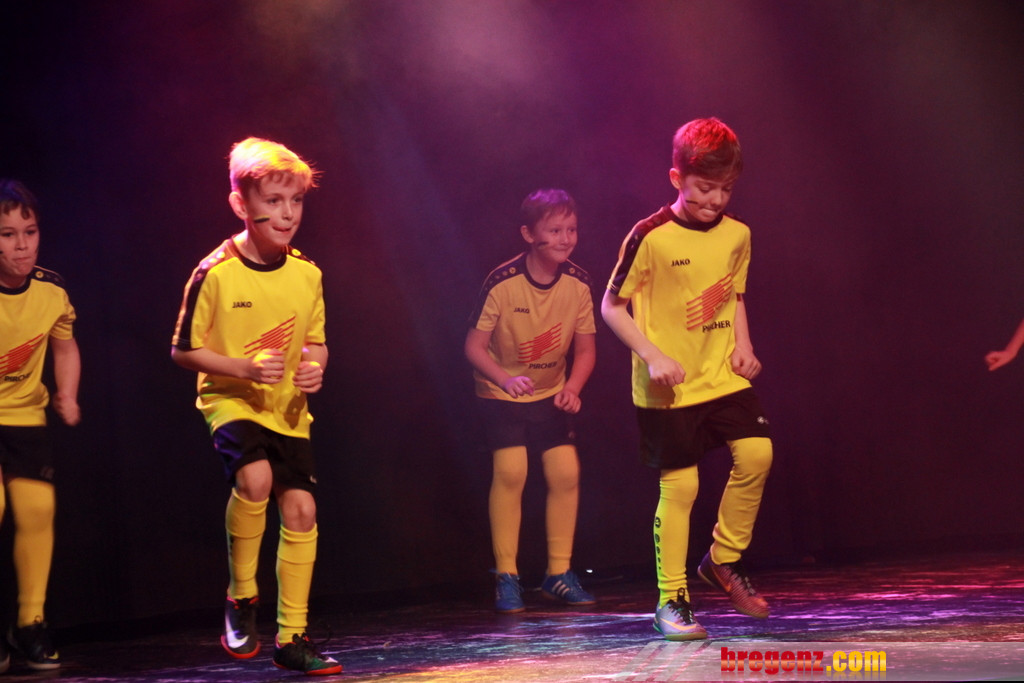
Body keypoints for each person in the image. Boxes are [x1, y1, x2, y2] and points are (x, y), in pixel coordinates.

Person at [171, 138, 341, 675]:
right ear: (241, 204)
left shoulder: (307, 273)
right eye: (273, 201)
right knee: (256, 480)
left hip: (287, 409)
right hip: (231, 400)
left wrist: (315, 367)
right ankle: (241, 594)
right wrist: (242, 368)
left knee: (303, 510)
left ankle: (292, 637)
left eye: (296, 201)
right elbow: (183, 350)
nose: (287, 214)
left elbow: (315, 342)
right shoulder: (215, 272)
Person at [601, 118, 773, 641]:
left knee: (757, 455)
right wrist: (651, 355)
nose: (715, 199)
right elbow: (611, 305)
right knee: (682, 485)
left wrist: (744, 346)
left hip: (720, 375)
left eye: (726, 189)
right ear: (677, 178)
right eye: (705, 187)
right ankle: (671, 599)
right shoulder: (649, 236)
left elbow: (734, 296)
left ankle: (722, 559)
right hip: (668, 387)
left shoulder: (738, 234)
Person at [465, 189, 598, 613]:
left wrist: (572, 388)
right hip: (501, 393)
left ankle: (558, 574)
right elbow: (473, 347)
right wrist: (505, 380)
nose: (565, 238)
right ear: (528, 234)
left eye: (571, 229)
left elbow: (586, 350)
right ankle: (506, 576)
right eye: (554, 230)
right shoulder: (502, 283)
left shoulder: (578, 283)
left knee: (566, 472)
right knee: (512, 471)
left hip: (549, 393)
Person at [0, 179, 81, 671]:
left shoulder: (52, 290)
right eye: (7, 235)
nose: (22, 245)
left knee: (37, 512)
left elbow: (64, 346)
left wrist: (66, 393)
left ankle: (30, 623)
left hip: (26, 418)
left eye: (29, 232)